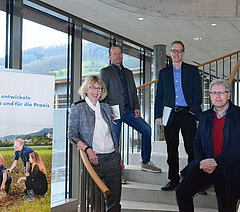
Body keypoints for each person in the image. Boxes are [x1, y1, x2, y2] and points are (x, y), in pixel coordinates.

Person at [176, 79, 240, 212]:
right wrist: (203, 161)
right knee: (182, 192)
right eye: (214, 93)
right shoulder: (204, 116)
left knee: (226, 207)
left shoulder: (238, 115)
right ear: (210, 95)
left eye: (222, 92)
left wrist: (216, 161)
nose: (218, 96)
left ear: (228, 95)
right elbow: (197, 142)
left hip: (228, 168)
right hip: (206, 166)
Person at [100, 45, 161, 173]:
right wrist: (107, 112)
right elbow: (103, 93)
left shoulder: (128, 72)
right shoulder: (105, 72)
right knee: (115, 141)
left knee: (146, 129)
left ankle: (145, 162)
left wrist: (137, 107)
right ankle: (116, 172)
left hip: (129, 110)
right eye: (115, 54)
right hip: (113, 112)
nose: (118, 56)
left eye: (120, 54)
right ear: (110, 57)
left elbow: (133, 92)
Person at [68, 75, 122, 212]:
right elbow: (72, 135)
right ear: (86, 89)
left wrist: (119, 156)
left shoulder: (106, 107)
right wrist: (88, 149)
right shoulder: (78, 108)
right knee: (95, 201)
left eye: (99, 88)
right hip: (94, 160)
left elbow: (112, 135)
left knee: (115, 201)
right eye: (92, 87)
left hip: (112, 159)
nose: (96, 91)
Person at [154, 40, 202, 191]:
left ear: (183, 53)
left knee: (191, 148)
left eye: (179, 51)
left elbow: (198, 93)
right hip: (170, 114)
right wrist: (158, 115)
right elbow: (159, 95)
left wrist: (193, 111)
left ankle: (194, 180)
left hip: (187, 113)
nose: (176, 54)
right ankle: (173, 180)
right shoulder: (164, 73)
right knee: (171, 149)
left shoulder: (192, 70)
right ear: (170, 53)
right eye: (174, 51)